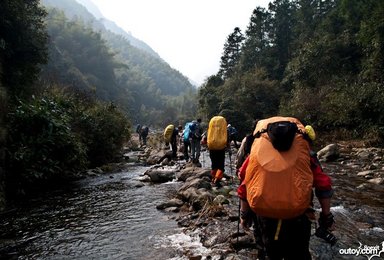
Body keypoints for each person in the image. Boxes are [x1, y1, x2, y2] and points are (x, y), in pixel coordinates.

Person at [237, 118, 335, 259]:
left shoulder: (256, 154)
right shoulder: (306, 154)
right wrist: (326, 217)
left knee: (267, 253)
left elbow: (244, 184)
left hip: (265, 217)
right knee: (299, 254)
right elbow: (323, 185)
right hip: (298, 216)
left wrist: (244, 215)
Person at [207, 116, 228, 185]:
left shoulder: (211, 130)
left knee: (214, 164)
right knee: (221, 166)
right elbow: (227, 139)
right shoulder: (224, 130)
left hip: (212, 147)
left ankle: (213, 179)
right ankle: (217, 179)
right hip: (221, 148)